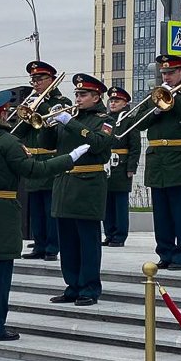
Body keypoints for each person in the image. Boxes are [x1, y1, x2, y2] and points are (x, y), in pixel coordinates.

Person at [0, 90, 81, 341]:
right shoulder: (7, 142)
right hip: (1, 210)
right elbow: (33, 170)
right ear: (3, 113)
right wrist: (68, 159)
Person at [114, 55, 181, 270]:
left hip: (180, 158)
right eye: (164, 73)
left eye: (171, 73)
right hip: (157, 159)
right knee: (162, 214)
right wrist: (156, 108)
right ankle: (165, 252)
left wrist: (175, 99)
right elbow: (138, 123)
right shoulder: (153, 96)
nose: (166, 76)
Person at [43, 74, 114, 306]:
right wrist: (47, 125)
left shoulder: (104, 119)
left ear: (96, 97)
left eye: (83, 95)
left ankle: (89, 287)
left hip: (88, 186)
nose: (78, 98)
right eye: (76, 94)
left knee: (87, 241)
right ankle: (72, 285)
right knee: (68, 241)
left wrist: (69, 122)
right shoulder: (69, 119)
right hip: (64, 185)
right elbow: (48, 145)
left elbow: (99, 144)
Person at [14, 61, 71, 261]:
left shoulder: (60, 101)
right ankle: (39, 245)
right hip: (33, 160)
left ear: (52, 81)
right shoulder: (32, 101)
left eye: (40, 79)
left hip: (51, 158)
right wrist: (27, 113)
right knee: (35, 208)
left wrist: (42, 104)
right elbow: (19, 132)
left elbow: (58, 125)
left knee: (49, 207)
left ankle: (52, 247)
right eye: (34, 80)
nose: (36, 83)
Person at [103, 86, 140, 247]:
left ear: (125, 103)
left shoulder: (129, 121)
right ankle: (109, 233)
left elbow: (135, 146)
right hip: (106, 165)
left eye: (117, 100)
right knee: (106, 202)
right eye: (111, 100)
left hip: (121, 165)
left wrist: (131, 167)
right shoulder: (106, 119)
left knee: (119, 203)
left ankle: (120, 235)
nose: (113, 103)